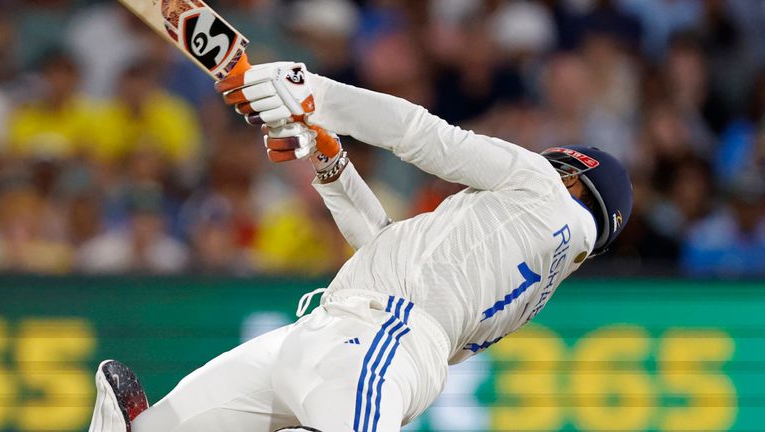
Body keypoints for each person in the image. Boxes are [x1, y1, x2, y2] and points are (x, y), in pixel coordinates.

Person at [88, 62, 632, 432]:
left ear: (570, 173)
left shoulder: (541, 184)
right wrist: (330, 163)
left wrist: (315, 93)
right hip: (344, 333)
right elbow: (385, 251)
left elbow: (423, 135)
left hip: (376, 337)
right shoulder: (523, 273)